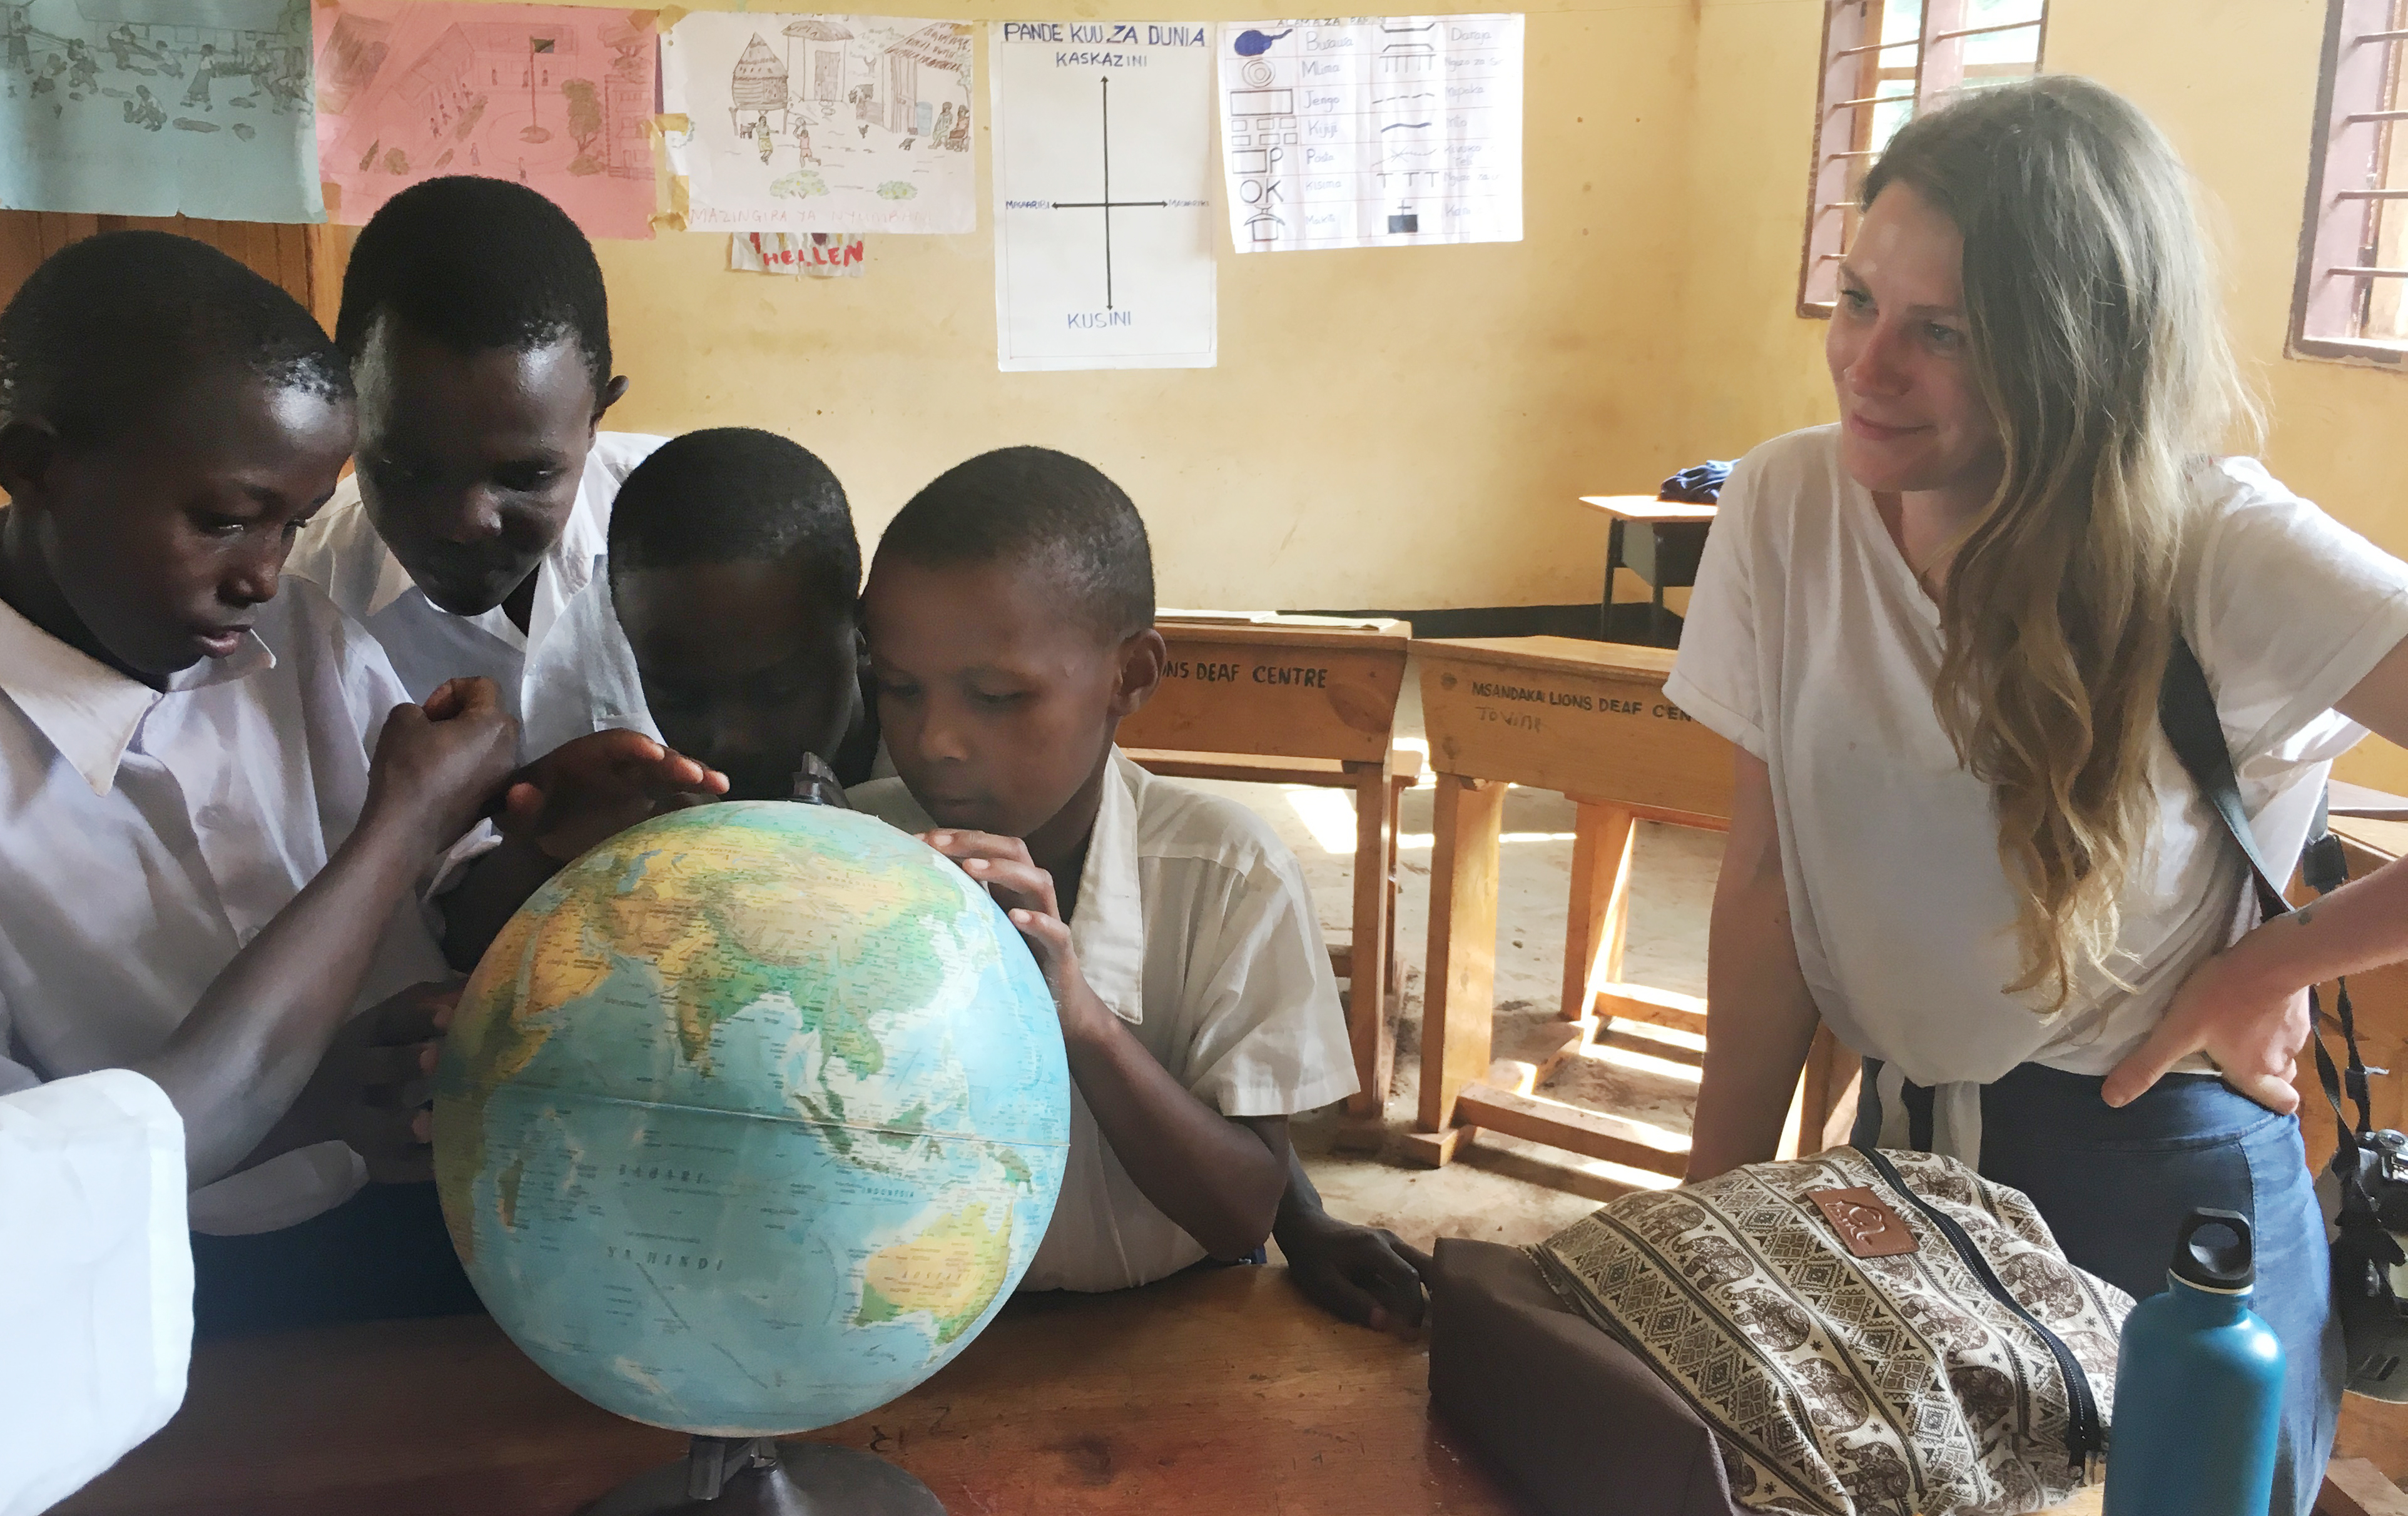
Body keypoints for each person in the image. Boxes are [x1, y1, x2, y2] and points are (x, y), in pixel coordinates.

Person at [1671, 77, 2408, 1516]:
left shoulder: (2219, 546)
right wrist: (1703, 1226)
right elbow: (1763, 887)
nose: (1865, 365)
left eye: (1938, 332)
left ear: (2074, 349)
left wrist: (2268, 963)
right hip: (1892, 1184)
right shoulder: (1781, 507)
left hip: (2155, 1197)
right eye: (1854, 299)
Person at [0, 231, 717, 1340]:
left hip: (431, 1217)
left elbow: (442, 895)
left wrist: (531, 845)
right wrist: (310, 1098)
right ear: (34, 462)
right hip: (167, 1300)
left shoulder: (301, 638)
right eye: (225, 520)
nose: (262, 574)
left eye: (293, 523)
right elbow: (38, 1183)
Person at [855, 447, 1430, 1329]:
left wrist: (1080, 1019)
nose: (936, 740)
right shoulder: (847, 858)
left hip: (1162, 1329)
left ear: (1131, 675)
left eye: (998, 695)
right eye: (897, 688)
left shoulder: (1228, 873)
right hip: (907, 1336)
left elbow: (1243, 1210)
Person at [286, 174, 664, 727]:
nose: (466, 524)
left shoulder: (703, 530)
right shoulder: (300, 601)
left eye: (527, 476)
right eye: (409, 470)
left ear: (594, 421)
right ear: (344, 410)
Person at [521, 427, 881, 797]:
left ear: (869, 630)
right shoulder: (655, 812)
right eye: (679, 698)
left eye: (777, 691)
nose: (732, 742)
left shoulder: (936, 791)